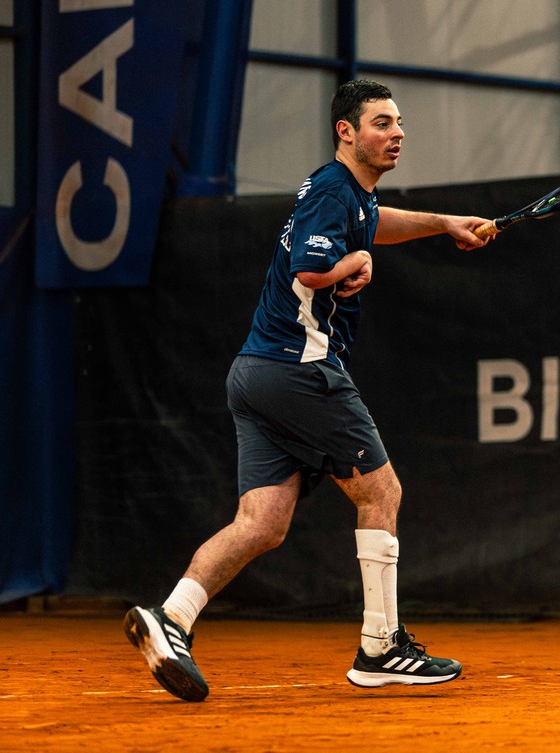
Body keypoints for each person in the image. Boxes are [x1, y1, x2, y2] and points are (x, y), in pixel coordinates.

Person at [124, 79, 491, 701]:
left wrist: (442, 223)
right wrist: (353, 265)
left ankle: (171, 618)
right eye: (381, 123)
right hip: (300, 368)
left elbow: (378, 223)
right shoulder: (331, 193)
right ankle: (381, 647)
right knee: (382, 491)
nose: (396, 131)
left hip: (256, 372)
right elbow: (311, 269)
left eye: (398, 122)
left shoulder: (348, 194)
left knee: (261, 523)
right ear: (346, 131)